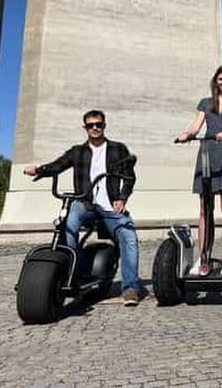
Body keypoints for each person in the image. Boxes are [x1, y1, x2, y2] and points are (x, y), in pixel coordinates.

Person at [23, 110, 142, 306]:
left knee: (129, 237)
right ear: (85, 128)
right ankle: (72, 274)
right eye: (90, 125)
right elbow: (58, 165)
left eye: (99, 124)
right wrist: (39, 170)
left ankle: (130, 289)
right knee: (68, 223)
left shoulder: (118, 149)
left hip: (110, 206)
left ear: (104, 125)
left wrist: (122, 198)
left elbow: (129, 177)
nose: (95, 128)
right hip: (84, 203)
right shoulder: (77, 152)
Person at [175, 64, 222, 276]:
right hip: (207, 153)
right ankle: (203, 257)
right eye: (221, 79)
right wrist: (186, 135)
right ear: (215, 81)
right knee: (205, 207)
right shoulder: (206, 103)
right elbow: (196, 126)